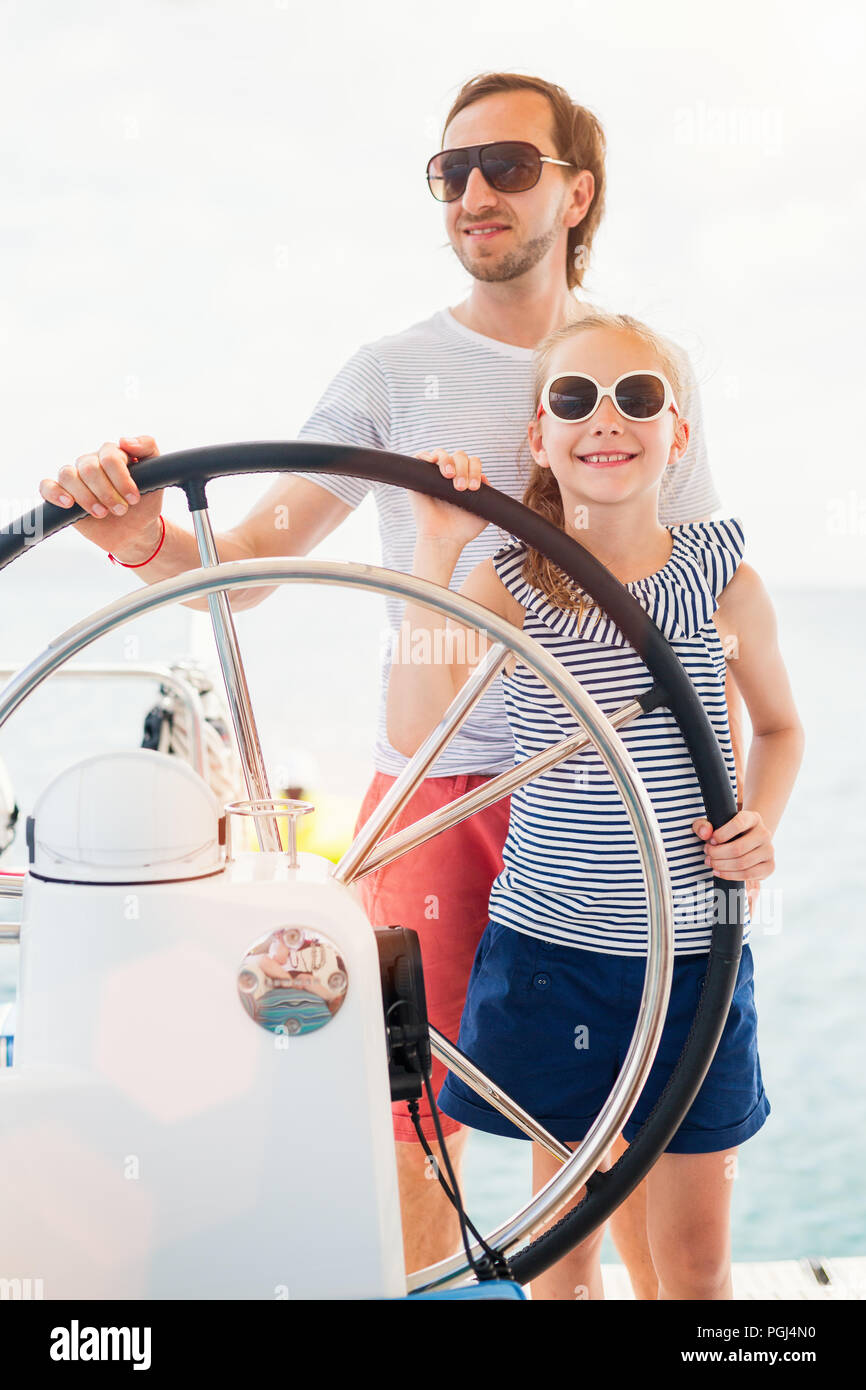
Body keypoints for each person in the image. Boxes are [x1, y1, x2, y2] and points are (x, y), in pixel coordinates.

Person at [38, 71, 734, 1285]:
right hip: (438, 792)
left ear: (575, 190)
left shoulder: (634, 379)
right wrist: (134, 528)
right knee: (422, 1126)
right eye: (449, 171)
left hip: (612, 797)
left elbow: (693, 603)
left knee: (622, 1129)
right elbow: (246, 566)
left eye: (508, 166)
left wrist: (734, 806)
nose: (474, 191)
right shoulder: (389, 374)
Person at [386, 310, 804, 1299]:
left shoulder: (716, 576)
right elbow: (416, 725)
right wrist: (431, 549)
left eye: (637, 397)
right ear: (537, 435)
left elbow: (781, 731)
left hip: (695, 955)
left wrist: (760, 827)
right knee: (561, 1258)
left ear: (678, 433)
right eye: (571, 398)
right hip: (552, 962)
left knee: (694, 1273)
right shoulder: (507, 582)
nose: (604, 419)